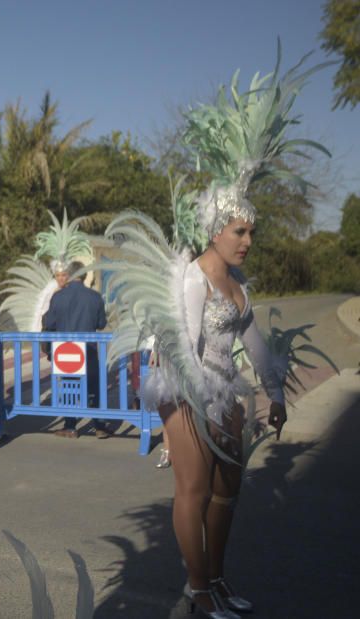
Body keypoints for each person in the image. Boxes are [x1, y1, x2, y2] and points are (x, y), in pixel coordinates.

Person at [104, 57, 325, 618]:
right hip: (185, 389)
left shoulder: (240, 284)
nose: (248, 240)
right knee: (195, 490)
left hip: (226, 395)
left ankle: (217, 580)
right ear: (215, 231)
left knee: (229, 494)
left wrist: (274, 394)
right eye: (239, 231)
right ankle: (197, 590)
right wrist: (204, 402)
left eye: (252, 231)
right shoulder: (194, 276)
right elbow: (180, 341)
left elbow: (253, 346)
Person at [42, 261, 111, 439]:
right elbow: (101, 324)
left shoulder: (58, 297)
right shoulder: (95, 297)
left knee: (68, 385)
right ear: (84, 275)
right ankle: (99, 426)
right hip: (89, 349)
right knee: (94, 386)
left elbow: (50, 323)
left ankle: (70, 426)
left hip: (66, 350)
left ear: (70, 275)